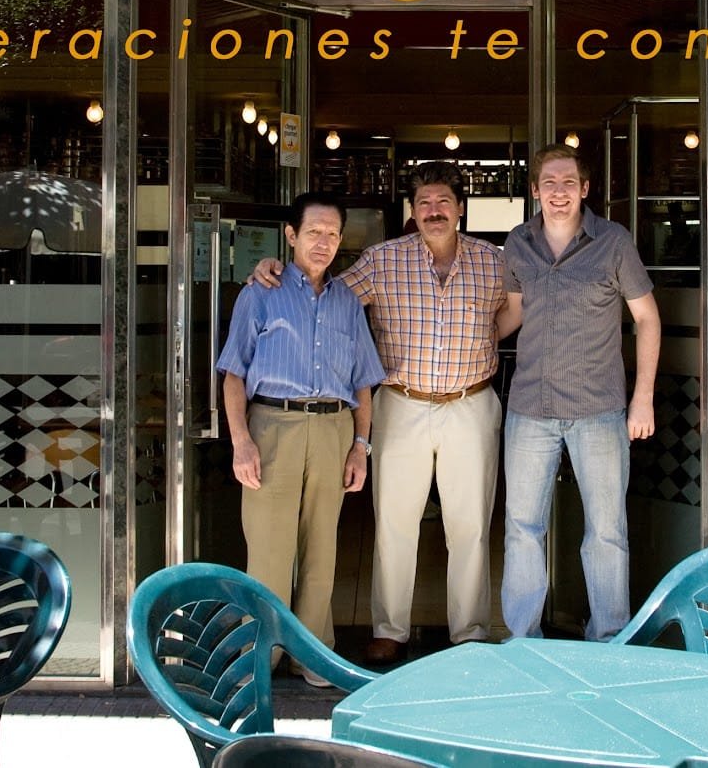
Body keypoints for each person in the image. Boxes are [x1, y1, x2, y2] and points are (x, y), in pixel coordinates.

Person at [253, 161, 505, 663]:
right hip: (401, 402)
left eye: (444, 202)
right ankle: (390, 628)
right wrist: (272, 268)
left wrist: (483, 344)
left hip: (471, 403)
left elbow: (513, 310)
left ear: (460, 208)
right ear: (413, 210)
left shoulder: (493, 262)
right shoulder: (383, 260)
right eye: (425, 203)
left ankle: (471, 632)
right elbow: (326, 296)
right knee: (394, 521)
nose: (434, 211)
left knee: (471, 524)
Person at [218, 191, 384, 682]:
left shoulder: (348, 301)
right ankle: (262, 654)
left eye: (333, 234)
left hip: (333, 427)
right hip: (273, 425)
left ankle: (312, 655)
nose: (324, 242)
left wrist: (361, 446)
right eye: (314, 232)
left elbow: (363, 383)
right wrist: (241, 442)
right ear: (291, 236)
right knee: (269, 549)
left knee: (321, 549)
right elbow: (233, 374)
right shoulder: (260, 293)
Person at [497, 144, 661, 642]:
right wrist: (462, 335)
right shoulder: (517, 243)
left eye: (569, 182)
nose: (559, 192)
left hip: (599, 409)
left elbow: (648, 319)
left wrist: (643, 398)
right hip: (530, 408)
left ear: (585, 189)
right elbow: (512, 313)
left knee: (607, 532)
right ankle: (524, 640)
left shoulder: (613, 242)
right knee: (522, 529)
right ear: (535, 190)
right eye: (549, 182)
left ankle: (609, 638)